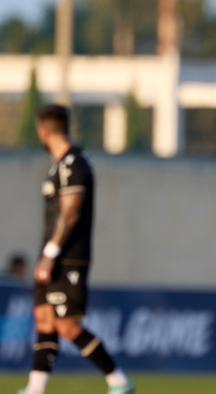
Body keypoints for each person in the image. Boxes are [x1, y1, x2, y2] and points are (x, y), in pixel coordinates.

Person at [18, 105, 134, 394]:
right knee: (44, 317)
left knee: (66, 325)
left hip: (67, 257)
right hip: (52, 253)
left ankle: (118, 380)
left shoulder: (74, 162)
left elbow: (70, 212)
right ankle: (35, 388)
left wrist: (50, 254)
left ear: (43, 129)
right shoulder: (59, 164)